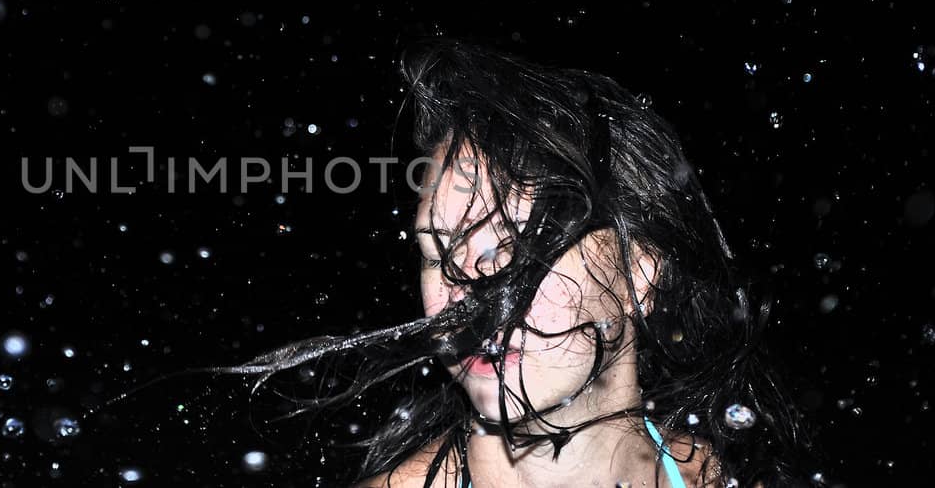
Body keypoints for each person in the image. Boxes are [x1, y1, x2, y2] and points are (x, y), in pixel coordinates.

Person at [226, 38, 816, 487]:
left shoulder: (711, 473)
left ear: (640, 267)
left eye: (514, 245)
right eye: (440, 252)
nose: (470, 290)